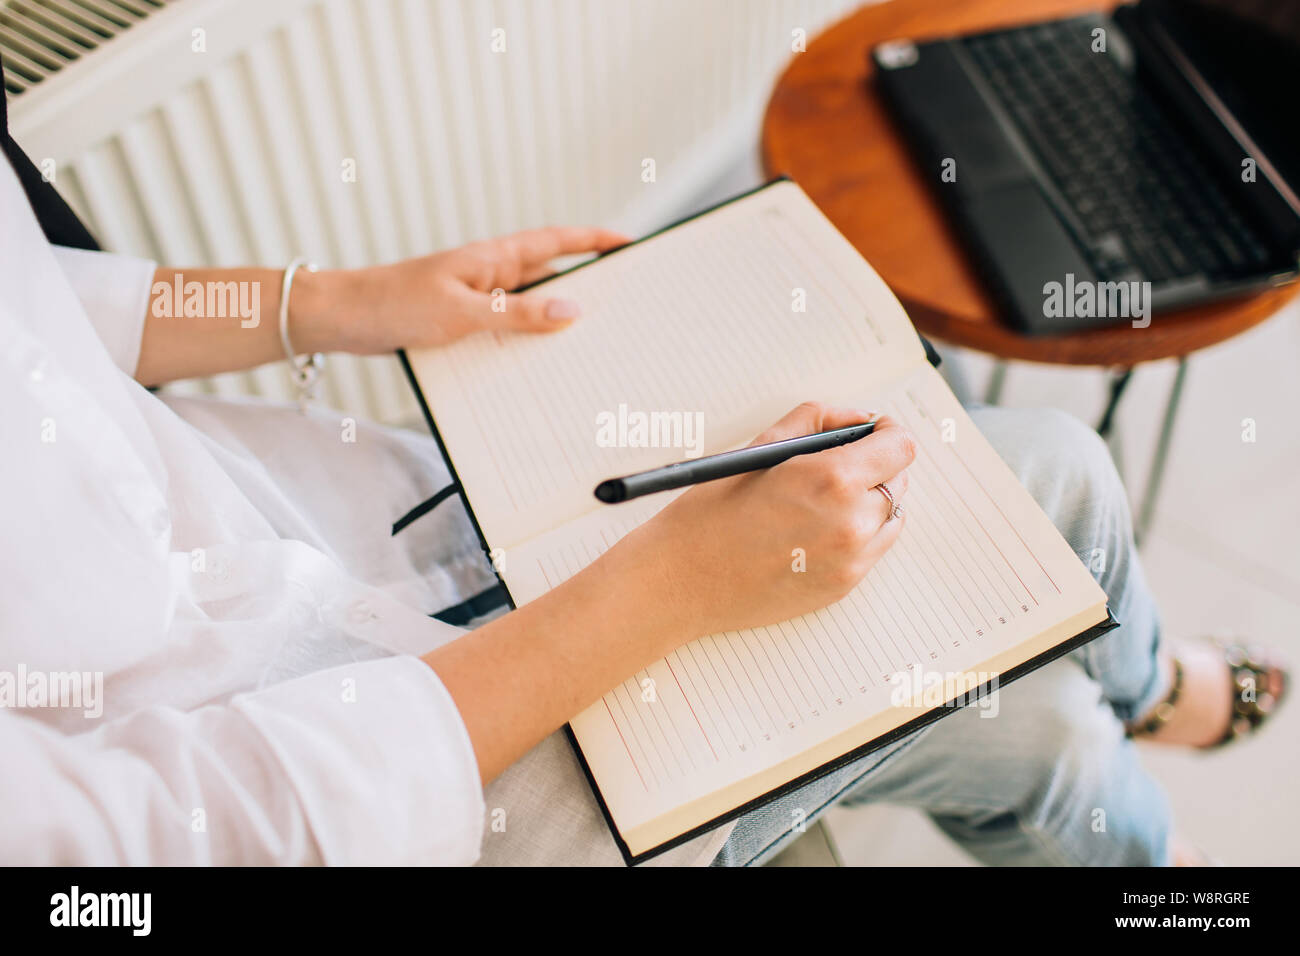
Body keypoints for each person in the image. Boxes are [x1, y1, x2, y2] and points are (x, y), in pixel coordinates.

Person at [0, 107, 1284, 868]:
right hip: (424, 806)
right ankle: (1151, 740)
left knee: (1055, 505)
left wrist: (331, 302)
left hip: (325, 538)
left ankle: (1145, 684)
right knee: (1050, 708)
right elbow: (172, 843)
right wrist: (662, 591)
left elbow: (46, 311)